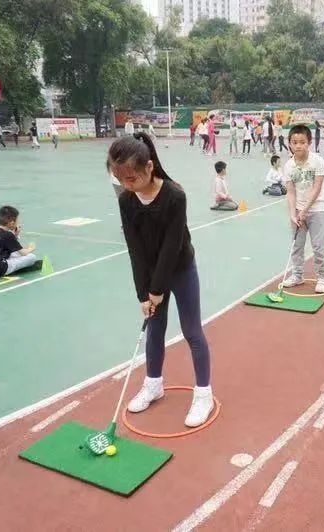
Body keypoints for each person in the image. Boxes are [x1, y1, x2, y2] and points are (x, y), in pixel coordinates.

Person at [109, 132, 214, 428]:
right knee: (155, 329)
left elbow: (171, 246)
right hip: (151, 274)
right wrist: (144, 293)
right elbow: (135, 250)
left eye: (132, 179)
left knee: (192, 330)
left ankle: (203, 393)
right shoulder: (126, 201)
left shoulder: (174, 196)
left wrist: (157, 290)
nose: (127, 186)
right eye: (121, 181)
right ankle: (153, 384)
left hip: (179, 268)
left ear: (149, 167)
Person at [283, 124, 324, 294]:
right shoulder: (288, 166)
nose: (298, 145)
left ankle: (322, 277)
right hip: (298, 212)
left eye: (302, 142)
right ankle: (297, 275)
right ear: (290, 144)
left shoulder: (317, 161)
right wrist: (293, 214)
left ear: (309, 142)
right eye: (294, 142)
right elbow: (290, 192)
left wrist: (304, 210)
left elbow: (317, 188)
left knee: (318, 246)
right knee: (297, 245)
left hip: (317, 209)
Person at [0, 205, 40, 277]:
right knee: (31, 257)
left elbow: (7, 247)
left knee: (12, 254)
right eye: (17, 220)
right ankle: (13, 269)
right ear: (12, 223)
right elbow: (23, 253)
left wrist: (15, 235)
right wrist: (31, 248)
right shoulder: (8, 235)